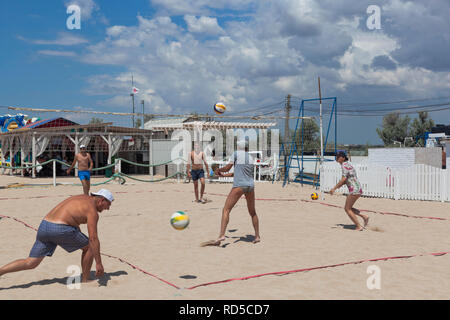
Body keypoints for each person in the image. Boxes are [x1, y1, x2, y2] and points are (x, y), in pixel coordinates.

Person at [0, 189, 114, 282]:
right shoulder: (92, 211)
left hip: (44, 225)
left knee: (30, 262)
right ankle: (85, 279)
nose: (107, 209)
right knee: (89, 246)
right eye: (107, 205)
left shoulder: (82, 197)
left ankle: (1, 271)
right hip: (60, 229)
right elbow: (93, 238)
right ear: (102, 200)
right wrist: (98, 263)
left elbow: (71, 215)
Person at [213, 140, 260, 244]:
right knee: (252, 212)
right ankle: (257, 236)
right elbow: (237, 173)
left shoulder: (236, 153)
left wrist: (218, 170)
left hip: (239, 186)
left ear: (239, 147)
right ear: (247, 148)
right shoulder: (251, 158)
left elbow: (227, 168)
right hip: (250, 186)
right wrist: (224, 175)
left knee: (226, 209)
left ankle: (221, 235)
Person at [329, 151, 369, 231]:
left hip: (354, 189)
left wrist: (334, 188)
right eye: (336, 156)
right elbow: (346, 179)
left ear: (343, 158)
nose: (337, 158)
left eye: (338, 157)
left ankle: (358, 226)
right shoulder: (348, 164)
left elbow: (344, 179)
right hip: (358, 188)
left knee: (347, 209)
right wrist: (338, 186)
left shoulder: (344, 165)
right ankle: (364, 216)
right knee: (349, 207)